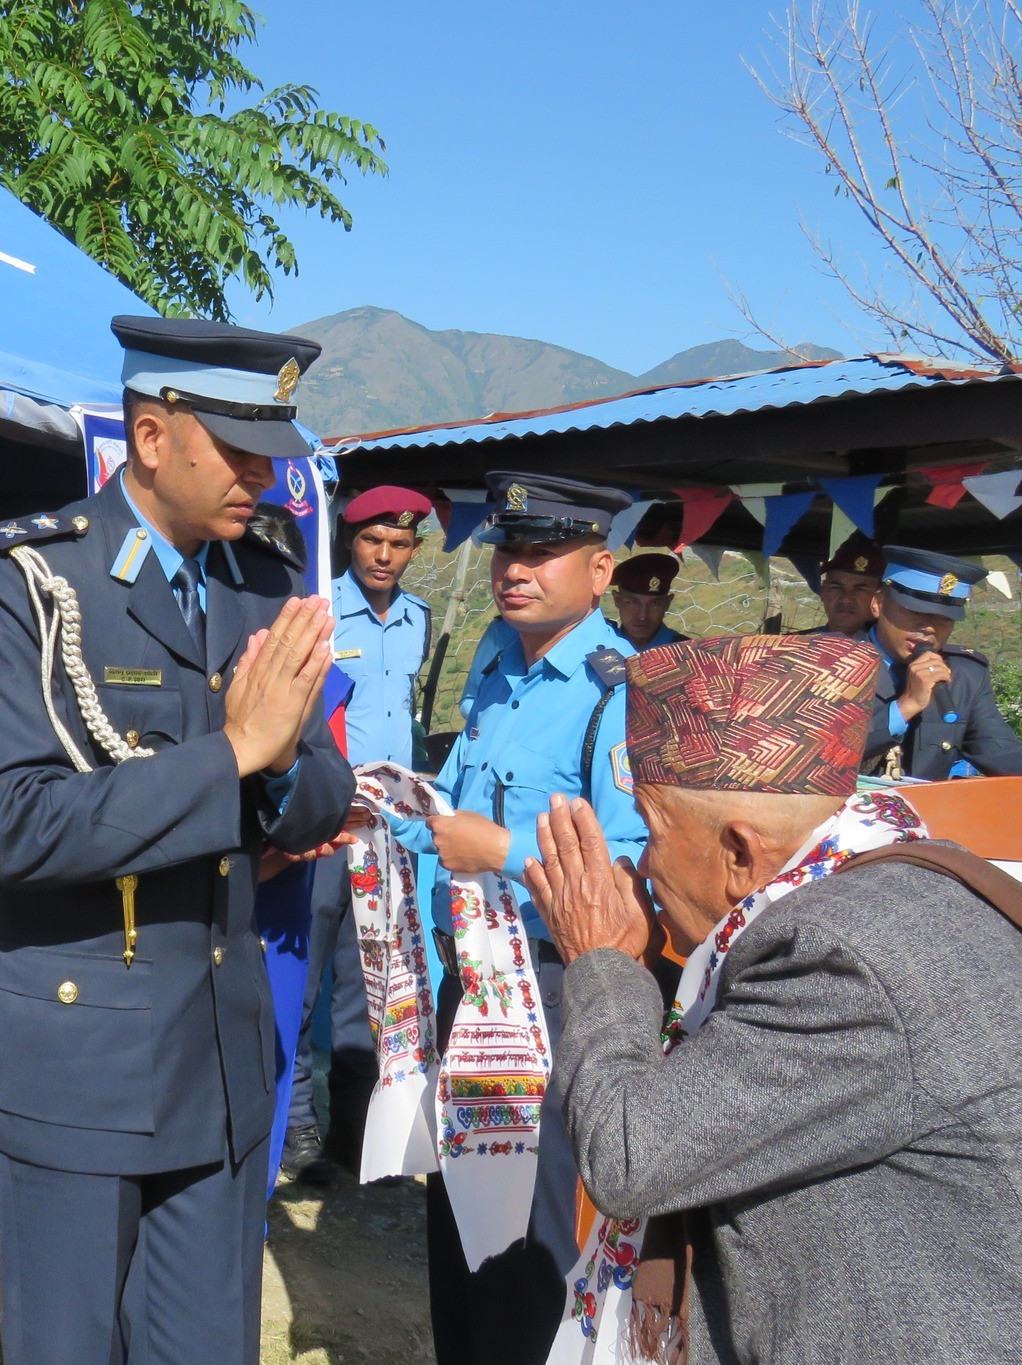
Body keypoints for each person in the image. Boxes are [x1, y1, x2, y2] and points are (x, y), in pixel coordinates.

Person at [524, 633, 1022, 1365]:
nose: (645, 865)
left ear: (741, 852)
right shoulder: (902, 889)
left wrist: (600, 959)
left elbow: (630, 1156)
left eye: (652, 833)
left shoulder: (837, 960)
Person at [0, 315, 356, 1364]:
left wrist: (275, 765)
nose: (263, 475)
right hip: (74, 1060)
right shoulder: (25, 578)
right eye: (238, 448)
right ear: (150, 435)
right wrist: (234, 754)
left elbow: (321, 798)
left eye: (271, 451)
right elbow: (16, 824)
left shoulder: (263, 582)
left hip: (217, 1056)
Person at [378, 471, 647, 1365]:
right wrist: (386, 811)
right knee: (461, 1234)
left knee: (527, 1247)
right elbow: (452, 812)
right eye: (506, 550)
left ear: (600, 571)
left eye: (541, 552)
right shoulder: (498, 667)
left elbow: (631, 866)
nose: (515, 569)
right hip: (470, 984)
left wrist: (499, 849)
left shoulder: (616, 693)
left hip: (549, 997)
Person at [282, 484, 433, 1184]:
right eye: (372, 540)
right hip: (322, 820)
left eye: (399, 544)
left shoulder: (417, 619)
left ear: (414, 549)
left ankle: (355, 1135)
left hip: (386, 827)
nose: (384, 554)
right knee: (302, 977)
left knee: (369, 981)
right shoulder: (316, 610)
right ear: (349, 540)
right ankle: (295, 1128)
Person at [856, 545, 1022, 779]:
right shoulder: (829, 663)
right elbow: (826, 751)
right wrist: (906, 706)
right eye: (914, 611)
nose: (929, 627)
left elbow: (996, 747)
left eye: (944, 618)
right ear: (878, 603)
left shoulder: (965, 675)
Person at [803, 532, 882, 635]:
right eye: (836, 587)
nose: (846, 599)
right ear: (823, 591)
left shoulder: (890, 646)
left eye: (860, 590)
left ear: (880, 599)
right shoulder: (795, 643)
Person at [609, 552, 686, 651]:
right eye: (632, 602)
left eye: (655, 604)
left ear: (667, 603)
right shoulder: (599, 649)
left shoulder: (687, 653)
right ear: (617, 600)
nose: (643, 616)